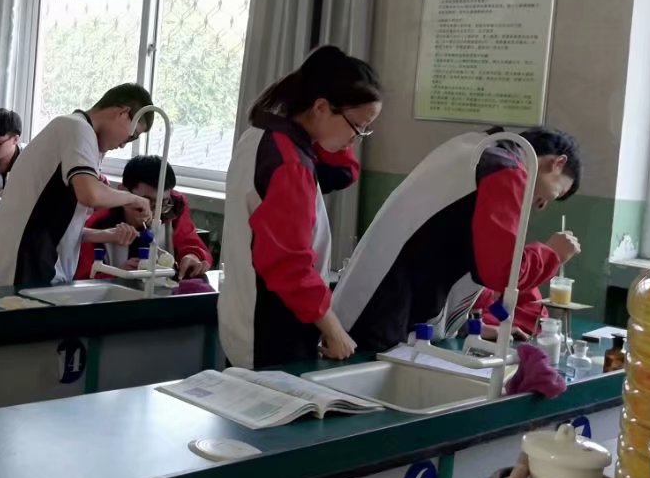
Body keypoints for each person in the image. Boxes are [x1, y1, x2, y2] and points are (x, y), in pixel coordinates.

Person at [332, 126, 582, 350]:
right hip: (383, 317)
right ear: (558, 163)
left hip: (367, 299)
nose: (542, 204)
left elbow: (444, 243)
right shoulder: (505, 169)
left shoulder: (476, 146)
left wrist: (467, 326)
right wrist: (552, 255)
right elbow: (500, 272)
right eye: (556, 193)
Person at [220, 46, 381, 370]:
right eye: (358, 127)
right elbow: (287, 265)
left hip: (247, 318)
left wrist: (341, 131)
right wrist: (333, 329)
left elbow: (342, 173)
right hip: (272, 328)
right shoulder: (289, 163)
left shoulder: (263, 135)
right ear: (320, 107)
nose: (357, 139)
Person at [0, 84, 156, 289]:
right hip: (26, 271)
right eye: (132, 135)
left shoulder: (82, 137)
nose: (123, 144)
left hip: (37, 270)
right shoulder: (77, 129)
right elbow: (90, 194)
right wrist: (134, 199)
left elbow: (56, 224)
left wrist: (107, 235)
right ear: (123, 113)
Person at [75, 156, 212, 281]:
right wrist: (118, 275)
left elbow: (191, 243)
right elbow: (82, 279)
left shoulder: (174, 209)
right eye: (146, 202)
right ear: (123, 192)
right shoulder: (98, 225)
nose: (154, 212)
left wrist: (192, 257)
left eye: (163, 203)